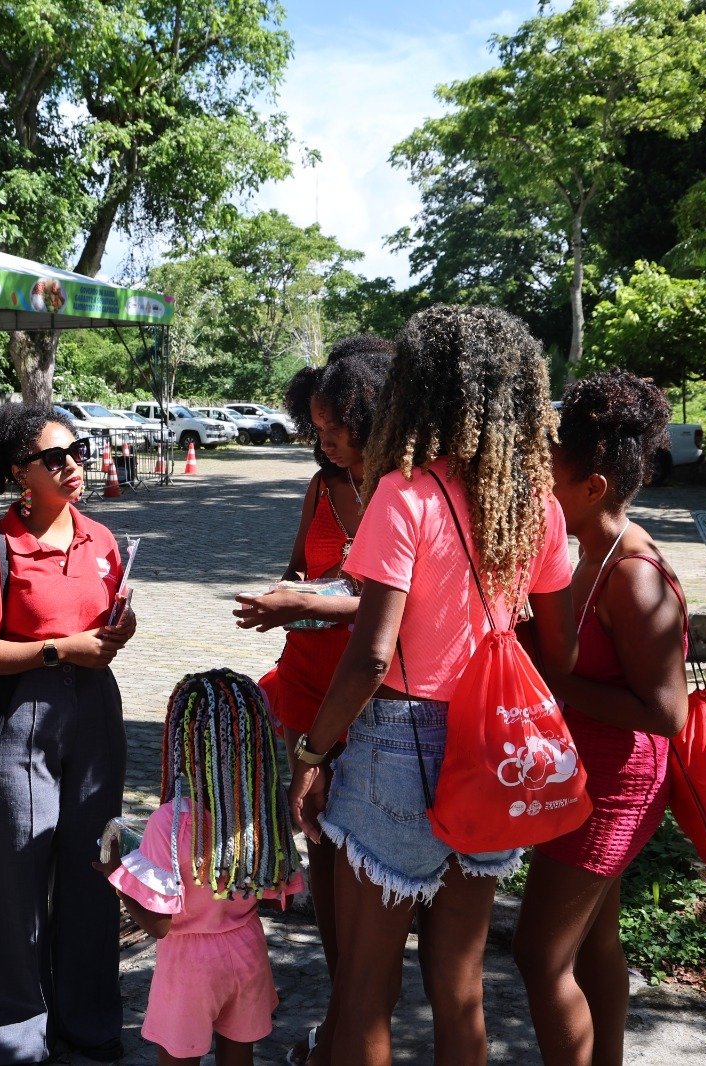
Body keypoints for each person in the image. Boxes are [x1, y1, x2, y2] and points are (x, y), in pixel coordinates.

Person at [287, 306, 577, 1066]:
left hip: (396, 745)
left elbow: (371, 656)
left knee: (362, 989)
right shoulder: (534, 505)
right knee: (460, 988)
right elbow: (560, 645)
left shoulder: (404, 495)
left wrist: (312, 752)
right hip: (492, 747)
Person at [0, 402, 138, 1064]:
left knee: (94, 868)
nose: (73, 466)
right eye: (55, 458)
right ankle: (18, 1037)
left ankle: (88, 1023)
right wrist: (59, 650)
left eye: (78, 451)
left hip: (94, 712)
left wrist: (119, 633)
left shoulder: (104, 541)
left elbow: (106, 627)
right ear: (18, 473)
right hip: (19, 720)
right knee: (15, 881)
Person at [513, 370, 690, 1066]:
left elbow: (667, 713)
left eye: (548, 478)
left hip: (617, 787)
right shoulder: (584, 550)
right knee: (595, 942)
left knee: (537, 953)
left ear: (593, 490)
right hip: (582, 772)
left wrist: (557, 684)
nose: (537, 492)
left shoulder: (633, 574)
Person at [230, 336, 393, 1064]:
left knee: (372, 863)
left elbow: (390, 607)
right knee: (319, 837)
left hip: (373, 690)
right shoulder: (324, 486)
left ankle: (362, 1017)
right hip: (306, 679)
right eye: (315, 430)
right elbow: (304, 569)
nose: (320, 443)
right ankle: (341, 1010)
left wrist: (313, 600)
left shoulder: (404, 491)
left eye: (333, 430)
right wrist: (286, 601)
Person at [95, 669, 305, 1066]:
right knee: (239, 1055)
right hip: (247, 950)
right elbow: (280, 896)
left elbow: (159, 925)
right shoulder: (264, 813)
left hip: (188, 967)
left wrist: (116, 878)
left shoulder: (172, 823)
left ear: (183, 744)